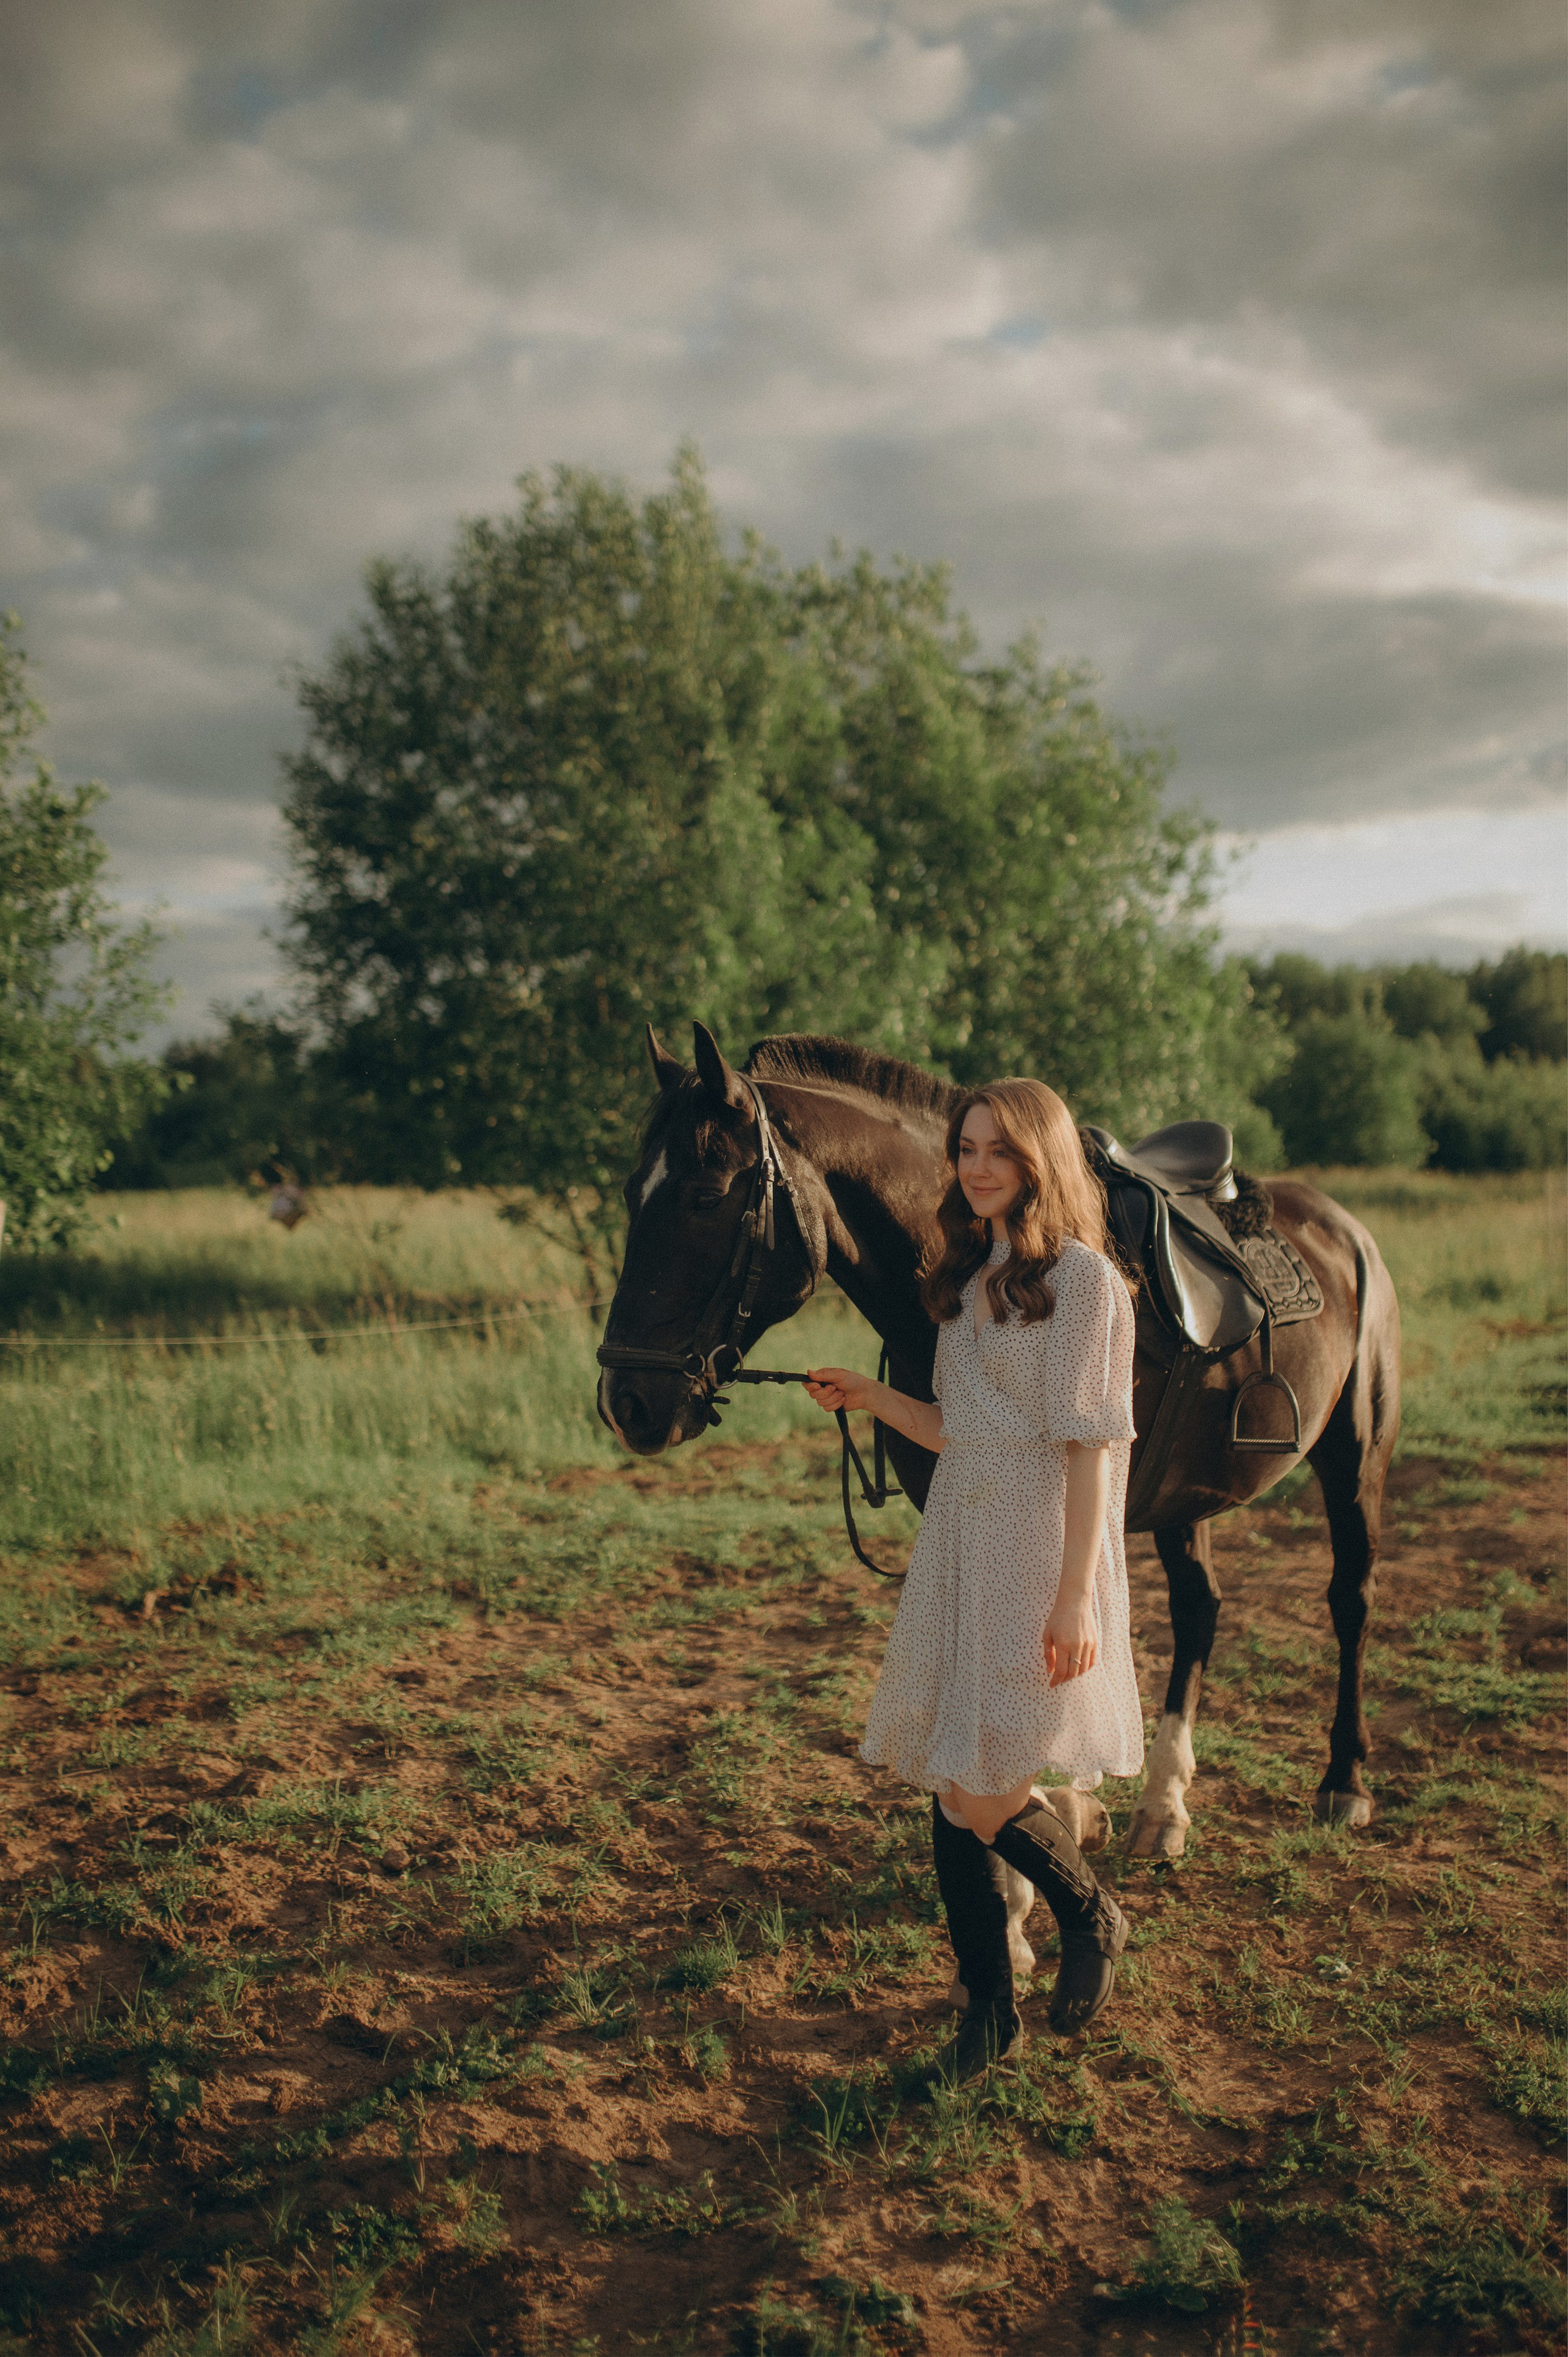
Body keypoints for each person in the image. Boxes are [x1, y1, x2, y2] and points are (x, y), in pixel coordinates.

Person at [804, 1078, 1142, 2078]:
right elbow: (956, 1432)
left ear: (1043, 1158)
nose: (978, 1166)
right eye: (967, 1149)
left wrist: (1075, 1593)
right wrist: (871, 1396)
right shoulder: (969, 1274)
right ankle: (986, 2017)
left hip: (1040, 1546)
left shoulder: (1082, 1280)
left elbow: (1091, 1449)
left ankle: (1090, 1914)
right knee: (959, 1789)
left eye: (1000, 1149)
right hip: (962, 1537)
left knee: (987, 1788)